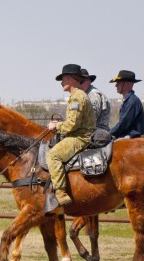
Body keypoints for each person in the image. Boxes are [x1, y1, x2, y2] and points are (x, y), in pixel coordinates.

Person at [46, 64, 96, 210]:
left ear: (72, 79)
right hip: (79, 134)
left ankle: (61, 193)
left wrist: (56, 126)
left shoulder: (77, 97)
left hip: (80, 137)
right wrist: (60, 123)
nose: (61, 82)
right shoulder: (77, 96)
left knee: (53, 155)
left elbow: (72, 125)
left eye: (63, 79)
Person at [109, 70, 144, 139]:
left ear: (126, 84)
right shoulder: (130, 100)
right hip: (126, 136)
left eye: (118, 82)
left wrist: (108, 133)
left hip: (129, 137)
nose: (116, 85)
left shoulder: (132, 101)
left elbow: (123, 123)